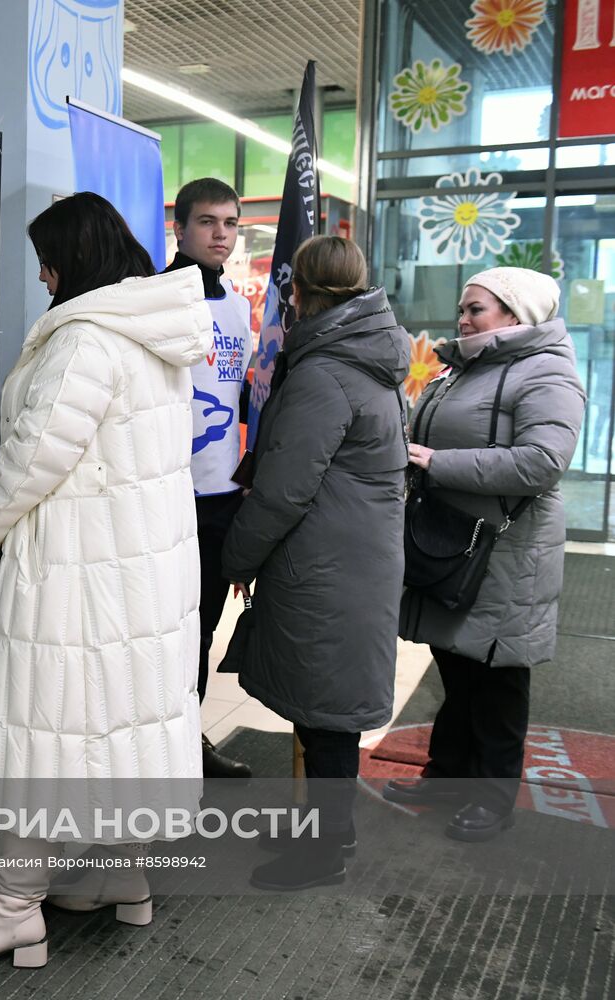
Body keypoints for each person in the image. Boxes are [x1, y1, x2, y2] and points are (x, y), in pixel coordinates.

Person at [0, 192, 212, 967]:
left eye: (47, 258)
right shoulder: (151, 334)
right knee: (118, 722)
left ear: (73, 258)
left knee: (43, 730)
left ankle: (13, 908)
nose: (43, 274)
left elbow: (29, 459)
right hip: (139, 569)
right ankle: (124, 878)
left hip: (76, 570)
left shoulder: (85, 339)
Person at [221, 236, 409, 891]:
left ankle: (323, 851)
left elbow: (283, 489)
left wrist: (235, 556)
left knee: (326, 718)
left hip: (327, 563)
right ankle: (327, 832)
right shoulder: (365, 359)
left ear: (297, 293)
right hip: (352, 559)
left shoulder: (323, 372)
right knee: (324, 708)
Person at [385, 267, 584, 842]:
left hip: (508, 550)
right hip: (458, 539)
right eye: (464, 307)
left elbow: (543, 462)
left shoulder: (546, 373)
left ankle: (492, 798)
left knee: (497, 679)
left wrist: (434, 462)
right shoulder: (464, 367)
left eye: (477, 309)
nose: (463, 318)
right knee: (459, 668)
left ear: (516, 317)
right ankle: (445, 778)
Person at [165, 177, 254, 780]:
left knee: (204, 631)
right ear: (180, 227)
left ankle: (188, 746)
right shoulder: (155, 298)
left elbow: (243, 394)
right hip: (167, 495)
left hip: (223, 495)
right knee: (164, 635)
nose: (220, 234)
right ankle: (160, 755)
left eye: (229, 223)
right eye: (207, 222)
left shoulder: (242, 308)